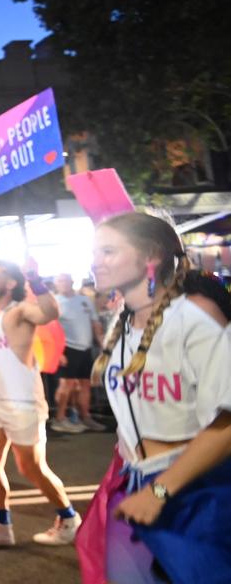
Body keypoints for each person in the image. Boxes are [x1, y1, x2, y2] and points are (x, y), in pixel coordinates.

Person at [86, 213, 231, 582]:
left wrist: (161, 491)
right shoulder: (123, 324)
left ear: (150, 254)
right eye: (94, 251)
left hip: (197, 490)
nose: (95, 261)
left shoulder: (196, 316)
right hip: (135, 486)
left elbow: (227, 423)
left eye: (108, 250)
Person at [0, 260, 81, 550]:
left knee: (31, 468)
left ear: (11, 283)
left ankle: (69, 519)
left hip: (22, 403)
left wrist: (35, 280)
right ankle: (2, 527)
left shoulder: (20, 311)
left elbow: (50, 312)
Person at [50, 273, 106, 433]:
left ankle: (85, 417)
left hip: (85, 348)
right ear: (56, 284)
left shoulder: (85, 300)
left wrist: (103, 344)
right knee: (66, 384)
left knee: (85, 384)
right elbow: (50, 329)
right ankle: (59, 419)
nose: (64, 283)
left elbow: (95, 323)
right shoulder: (54, 302)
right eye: (60, 281)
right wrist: (58, 352)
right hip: (66, 348)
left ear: (72, 282)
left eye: (66, 280)